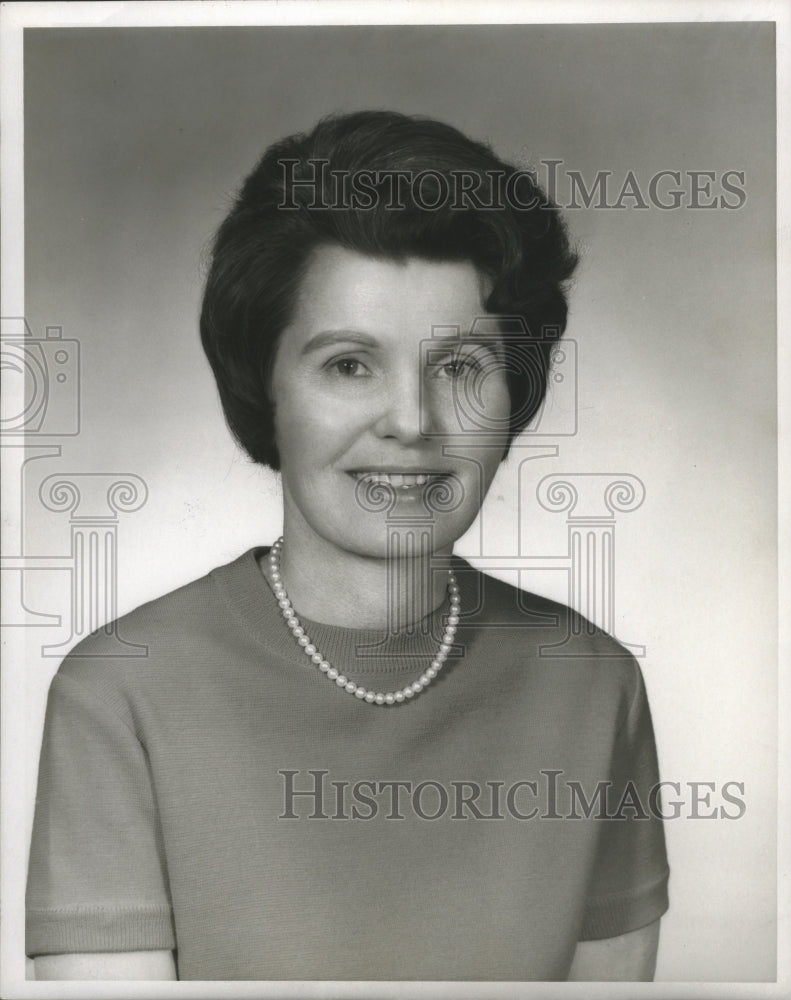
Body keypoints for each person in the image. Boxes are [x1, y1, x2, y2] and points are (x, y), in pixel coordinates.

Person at [26, 111, 669, 982]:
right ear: (265, 388)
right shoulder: (123, 694)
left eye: (460, 367)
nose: (412, 421)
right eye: (348, 365)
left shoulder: (591, 684)